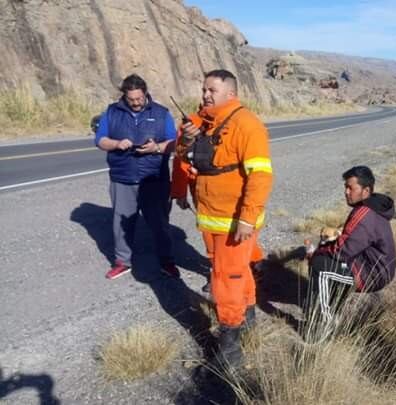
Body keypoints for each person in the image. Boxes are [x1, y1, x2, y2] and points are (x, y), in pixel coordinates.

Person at [175, 69, 273, 365]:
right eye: (203, 89)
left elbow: (261, 176)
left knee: (225, 279)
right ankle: (248, 320)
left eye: (211, 90)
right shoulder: (202, 124)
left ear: (230, 93)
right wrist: (186, 143)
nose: (205, 94)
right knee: (238, 272)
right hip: (212, 217)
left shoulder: (247, 125)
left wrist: (247, 217)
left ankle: (230, 349)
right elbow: (184, 159)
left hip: (235, 221)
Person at [95, 74, 179, 280]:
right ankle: (123, 263)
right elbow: (100, 140)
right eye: (131, 99)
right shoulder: (111, 112)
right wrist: (116, 144)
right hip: (122, 178)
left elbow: (176, 143)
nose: (136, 103)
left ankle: (166, 261)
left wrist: (156, 147)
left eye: (139, 99)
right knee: (121, 224)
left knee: (160, 222)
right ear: (124, 96)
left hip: (154, 179)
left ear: (145, 93)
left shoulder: (162, 113)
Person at [306, 166, 396, 341]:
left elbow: (342, 250)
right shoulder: (372, 206)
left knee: (320, 266)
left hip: (373, 274)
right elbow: (350, 242)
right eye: (345, 188)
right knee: (325, 259)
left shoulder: (364, 213)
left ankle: (323, 324)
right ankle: (332, 305)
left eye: (351, 188)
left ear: (366, 190)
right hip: (372, 265)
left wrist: (317, 253)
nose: (346, 192)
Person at [170, 145, 265, 293]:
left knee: (242, 239)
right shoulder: (190, 125)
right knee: (212, 241)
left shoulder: (239, 125)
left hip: (236, 197)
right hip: (205, 198)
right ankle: (219, 275)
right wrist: (179, 191)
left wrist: (249, 215)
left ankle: (253, 266)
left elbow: (259, 173)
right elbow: (181, 161)